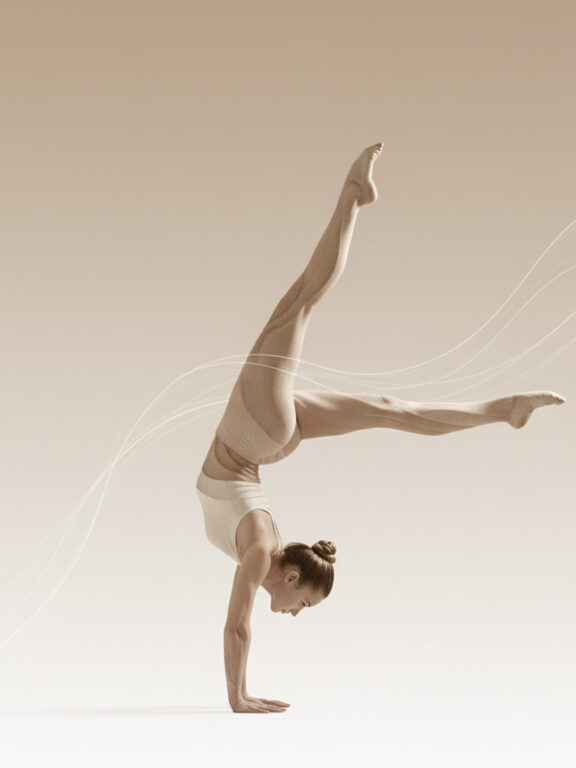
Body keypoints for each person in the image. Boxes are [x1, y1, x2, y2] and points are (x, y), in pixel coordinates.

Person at [195, 143, 565, 714]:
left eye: (303, 605)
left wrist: (237, 697)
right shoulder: (264, 547)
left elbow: (236, 626)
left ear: (288, 577)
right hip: (259, 437)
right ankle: (503, 409)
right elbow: (239, 622)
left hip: (257, 436)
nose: (297, 612)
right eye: (306, 605)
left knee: (309, 308)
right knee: (382, 398)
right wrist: (240, 695)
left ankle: (353, 196)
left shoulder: (260, 553)